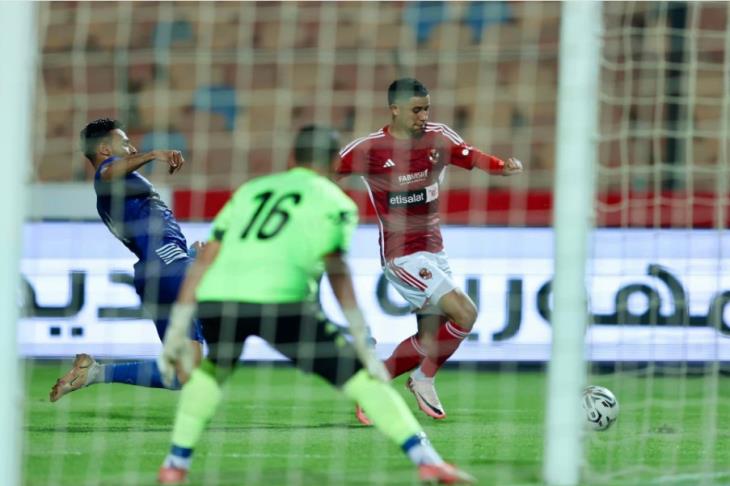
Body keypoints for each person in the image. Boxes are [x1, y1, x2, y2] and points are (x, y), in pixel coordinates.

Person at [156, 125, 475, 485]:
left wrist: (179, 324)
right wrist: (359, 333)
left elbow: (207, 256)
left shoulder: (252, 190)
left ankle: (174, 465)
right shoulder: (334, 201)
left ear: (293, 157)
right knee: (363, 380)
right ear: (332, 162)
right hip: (282, 303)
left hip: (221, 297)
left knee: (212, 374)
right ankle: (428, 461)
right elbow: (337, 271)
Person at [337, 78, 523, 423]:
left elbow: (470, 156)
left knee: (428, 338)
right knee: (465, 313)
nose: (423, 116)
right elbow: (327, 173)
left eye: (426, 109)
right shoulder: (370, 148)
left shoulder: (439, 137)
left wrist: (502, 167)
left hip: (434, 250)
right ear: (395, 109)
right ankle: (424, 378)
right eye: (416, 110)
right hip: (401, 255)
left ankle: (374, 385)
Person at [49, 118, 204, 402]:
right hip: (167, 265)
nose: (132, 148)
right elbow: (108, 173)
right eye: (125, 143)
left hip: (156, 272)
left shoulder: (115, 192)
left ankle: (95, 373)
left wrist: (189, 255)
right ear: (105, 149)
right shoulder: (107, 175)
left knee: (183, 374)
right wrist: (154, 154)